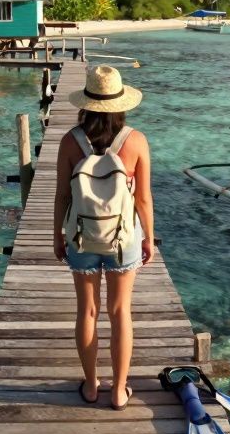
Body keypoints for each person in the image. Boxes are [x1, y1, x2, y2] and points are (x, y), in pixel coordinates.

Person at [53, 65, 155, 410]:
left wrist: (58, 236)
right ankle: (119, 390)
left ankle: (92, 385)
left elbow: (62, 196)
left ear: (86, 103)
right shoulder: (136, 141)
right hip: (123, 239)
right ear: (121, 104)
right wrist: (149, 238)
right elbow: (143, 199)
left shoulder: (70, 142)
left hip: (81, 236)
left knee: (88, 311)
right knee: (120, 311)